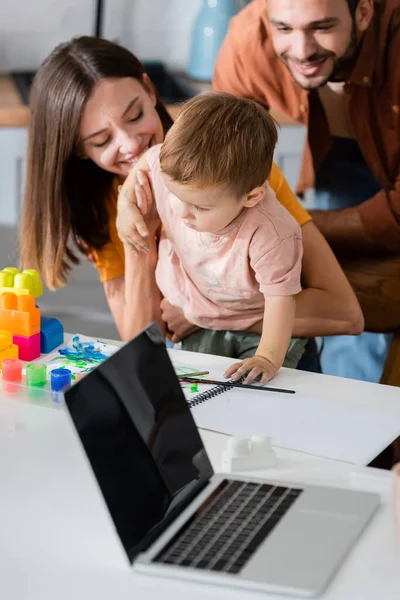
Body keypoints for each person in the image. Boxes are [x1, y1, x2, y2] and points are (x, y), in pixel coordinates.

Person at [19, 36, 363, 372]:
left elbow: (346, 312)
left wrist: (206, 313)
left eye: (136, 115)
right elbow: (143, 341)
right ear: (80, 149)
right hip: (200, 364)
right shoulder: (100, 208)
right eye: (102, 140)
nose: (130, 145)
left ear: (150, 90)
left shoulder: (235, 170)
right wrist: (138, 234)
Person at [211, 0, 400, 383]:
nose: (302, 50)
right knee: (339, 281)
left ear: (363, 13)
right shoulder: (249, 37)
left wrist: (296, 227)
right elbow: (220, 165)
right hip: (340, 153)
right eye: (284, 29)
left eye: (322, 27)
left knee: (379, 293)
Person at [120, 92, 305, 383]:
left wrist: (268, 357)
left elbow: (280, 299)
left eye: (200, 207)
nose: (180, 212)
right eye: (174, 194)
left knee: (262, 390)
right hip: (199, 320)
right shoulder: (169, 166)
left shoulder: (271, 233)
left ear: (251, 197)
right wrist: (125, 205)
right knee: (195, 388)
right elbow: (147, 163)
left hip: (261, 326)